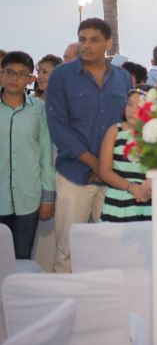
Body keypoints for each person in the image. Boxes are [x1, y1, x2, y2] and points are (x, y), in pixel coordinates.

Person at [46, 18, 132, 272]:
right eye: (82, 39)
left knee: (110, 250)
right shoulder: (62, 76)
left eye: (94, 39)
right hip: (74, 175)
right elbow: (57, 126)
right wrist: (95, 163)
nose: (87, 45)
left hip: (113, 178)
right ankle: (63, 310)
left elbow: (125, 124)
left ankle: (104, 308)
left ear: (108, 43)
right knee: (67, 250)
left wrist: (106, 167)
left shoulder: (123, 78)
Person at [0, 51, 56, 259]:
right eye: (10, 72)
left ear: (30, 79)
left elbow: (46, 155)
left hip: (28, 198)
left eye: (21, 73)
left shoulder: (39, 110)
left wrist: (48, 197)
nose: (15, 78)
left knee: (22, 257)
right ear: (1, 74)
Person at [99, 86, 152, 222]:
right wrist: (132, 187)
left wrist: (150, 185)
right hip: (118, 203)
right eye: (129, 104)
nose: (132, 110)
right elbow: (104, 171)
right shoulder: (115, 131)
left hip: (149, 202)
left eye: (139, 106)